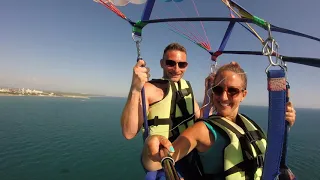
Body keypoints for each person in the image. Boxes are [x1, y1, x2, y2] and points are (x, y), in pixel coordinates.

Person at [141, 62, 296, 180]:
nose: (223, 97)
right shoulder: (202, 130)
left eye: (233, 91)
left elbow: (268, 156)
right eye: (218, 89)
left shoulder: (248, 124)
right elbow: (153, 163)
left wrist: (285, 127)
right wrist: (152, 143)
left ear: (244, 94)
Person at [120, 43, 203, 178]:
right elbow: (128, 133)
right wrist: (135, 89)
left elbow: (199, 118)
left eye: (182, 65)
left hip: (188, 153)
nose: (176, 69)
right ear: (162, 63)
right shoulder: (149, 89)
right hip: (161, 161)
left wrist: (209, 93)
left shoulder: (186, 88)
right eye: (171, 63)